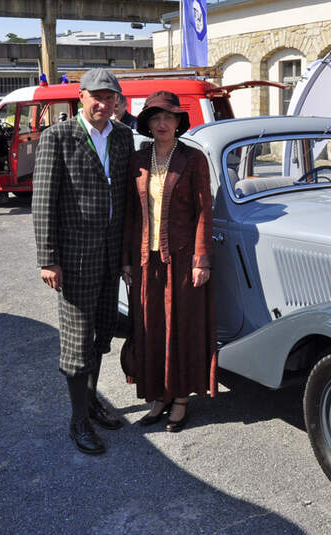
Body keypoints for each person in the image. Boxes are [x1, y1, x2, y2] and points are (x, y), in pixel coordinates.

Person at [32, 68, 135, 455]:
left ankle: (91, 403)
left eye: (110, 98)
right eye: (97, 96)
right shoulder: (58, 136)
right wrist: (48, 259)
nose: (103, 103)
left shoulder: (123, 136)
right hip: (74, 260)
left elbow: (127, 199)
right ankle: (77, 421)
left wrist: (125, 255)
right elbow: (43, 202)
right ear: (81, 95)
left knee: (103, 333)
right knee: (77, 342)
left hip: (110, 257)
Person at [121, 90, 216, 433]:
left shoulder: (193, 159)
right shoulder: (138, 159)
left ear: (178, 123)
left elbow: (205, 210)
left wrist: (201, 260)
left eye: (169, 117)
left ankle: (180, 399)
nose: (162, 123)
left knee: (181, 329)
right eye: (156, 118)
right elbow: (132, 213)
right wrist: (128, 260)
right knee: (150, 329)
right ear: (148, 123)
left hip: (182, 260)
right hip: (147, 260)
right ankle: (158, 396)